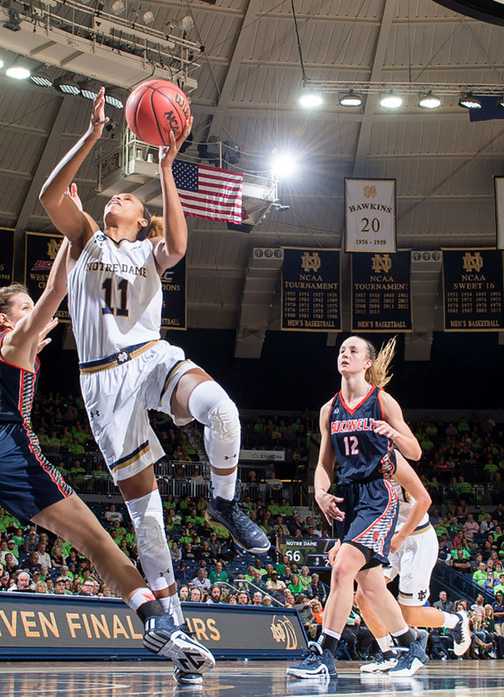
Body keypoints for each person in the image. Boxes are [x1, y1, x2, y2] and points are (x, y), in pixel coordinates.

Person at [0, 240, 214, 685]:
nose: (36, 311)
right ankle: (158, 620)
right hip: (2, 445)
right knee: (95, 541)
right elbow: (57, 287)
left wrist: (31, 341)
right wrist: (75, 239)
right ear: (4, 319)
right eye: (26, 307)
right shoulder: (13, 342)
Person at [39, 91, 267, 680]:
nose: (119, 196)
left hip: (151, 358)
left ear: (143, 219)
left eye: (132, 200)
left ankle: (225, 502)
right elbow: (49, 196)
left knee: (223, 410)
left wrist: (165, 168)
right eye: (115, 193)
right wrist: (91, 136)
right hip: (102, 384)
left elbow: (182, 246)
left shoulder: (149, 250)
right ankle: (170, 621)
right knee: (148, 512)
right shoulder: (86, 238)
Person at [287, 337, 425, 680]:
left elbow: (416, 451)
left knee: (341, 568)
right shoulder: (328, 409)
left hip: (378, 494)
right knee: (371, 586)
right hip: (346, 497)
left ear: (367, 363)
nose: (344, 355)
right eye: (341, 350)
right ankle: (411, 648)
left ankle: (323, 654)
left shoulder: (382, 400)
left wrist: (392, 432)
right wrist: (320, 493)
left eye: (353, 351)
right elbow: (323, 464)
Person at [354, 453, 470, 672]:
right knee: (363, 596)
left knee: (410, 614)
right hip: (391, 538)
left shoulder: (391, 459)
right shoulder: (362, 464)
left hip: (416, 539)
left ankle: (456, 621)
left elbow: (425, 500)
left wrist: (399, 537)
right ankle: (388, 654)